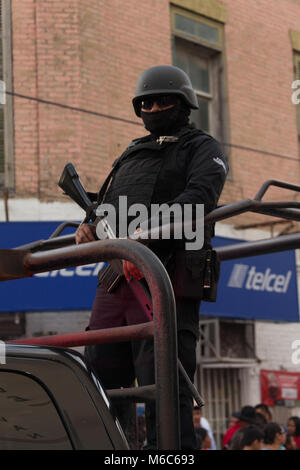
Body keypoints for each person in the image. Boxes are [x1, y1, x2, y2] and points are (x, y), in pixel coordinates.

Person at [76, 65, 228, 449]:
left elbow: (198, 199)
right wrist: (89, 226)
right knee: (100, 380)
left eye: (164, 100)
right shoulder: (131, 152)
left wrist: (141, 240)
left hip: (167, 276)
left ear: (184, 103)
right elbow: (110, 203)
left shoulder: (201, 147)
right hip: (117, 277)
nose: (155, 107)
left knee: (164, 385)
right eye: (147, 102)